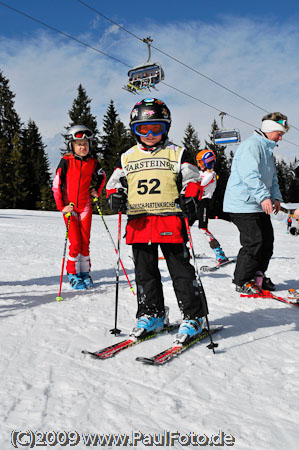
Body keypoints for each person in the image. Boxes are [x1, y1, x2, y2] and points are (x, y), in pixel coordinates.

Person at [106, 98, 208, 343]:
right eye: (143, 129)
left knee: (180, 271)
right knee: (144, 272)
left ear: (166, 128)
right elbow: (113, 184)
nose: (150, 134)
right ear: (134, 130)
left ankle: (194, 316)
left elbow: (193, 179)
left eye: (156, 128)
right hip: (139, 222)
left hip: (169, 220)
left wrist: (190, 196)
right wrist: (114, 196)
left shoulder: (176, 152)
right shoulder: (127, 157)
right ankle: (152, 313)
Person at [223, 112, 289, 294]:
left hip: (258, 203)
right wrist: (263, 197)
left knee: (267, 241)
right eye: (279, 133)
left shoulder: (267, 150)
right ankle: (242, 280)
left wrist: (276, 198)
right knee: (254, 241)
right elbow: (249, 175)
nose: (281, 138)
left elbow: (273, 178)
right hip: (242, 203)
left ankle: (258, 275)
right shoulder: (251, 146)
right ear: (270, 130)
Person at [52, 125, 106, 290]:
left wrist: (96, 191)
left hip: (85, 207)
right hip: (71, 208)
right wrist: (62, 207)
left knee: (85, 242)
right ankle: (73, 274)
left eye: (86, 144)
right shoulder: (66, 161)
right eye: (79, 144)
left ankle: (84, 273)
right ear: (72, 146)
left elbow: (102, 176)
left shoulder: (92, 162)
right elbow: (56, 184)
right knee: (75, 242)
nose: (83, 147)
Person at [195, 149, 229, 266]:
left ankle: (220, 254)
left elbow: (200, 185)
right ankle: (184, 250)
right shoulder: (201, 173)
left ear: (207, 162)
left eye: (201, 162)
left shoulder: (211, 175)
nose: (199, 164)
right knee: (183, 225)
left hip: (204, 202)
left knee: (203, 228)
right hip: (195, 202)